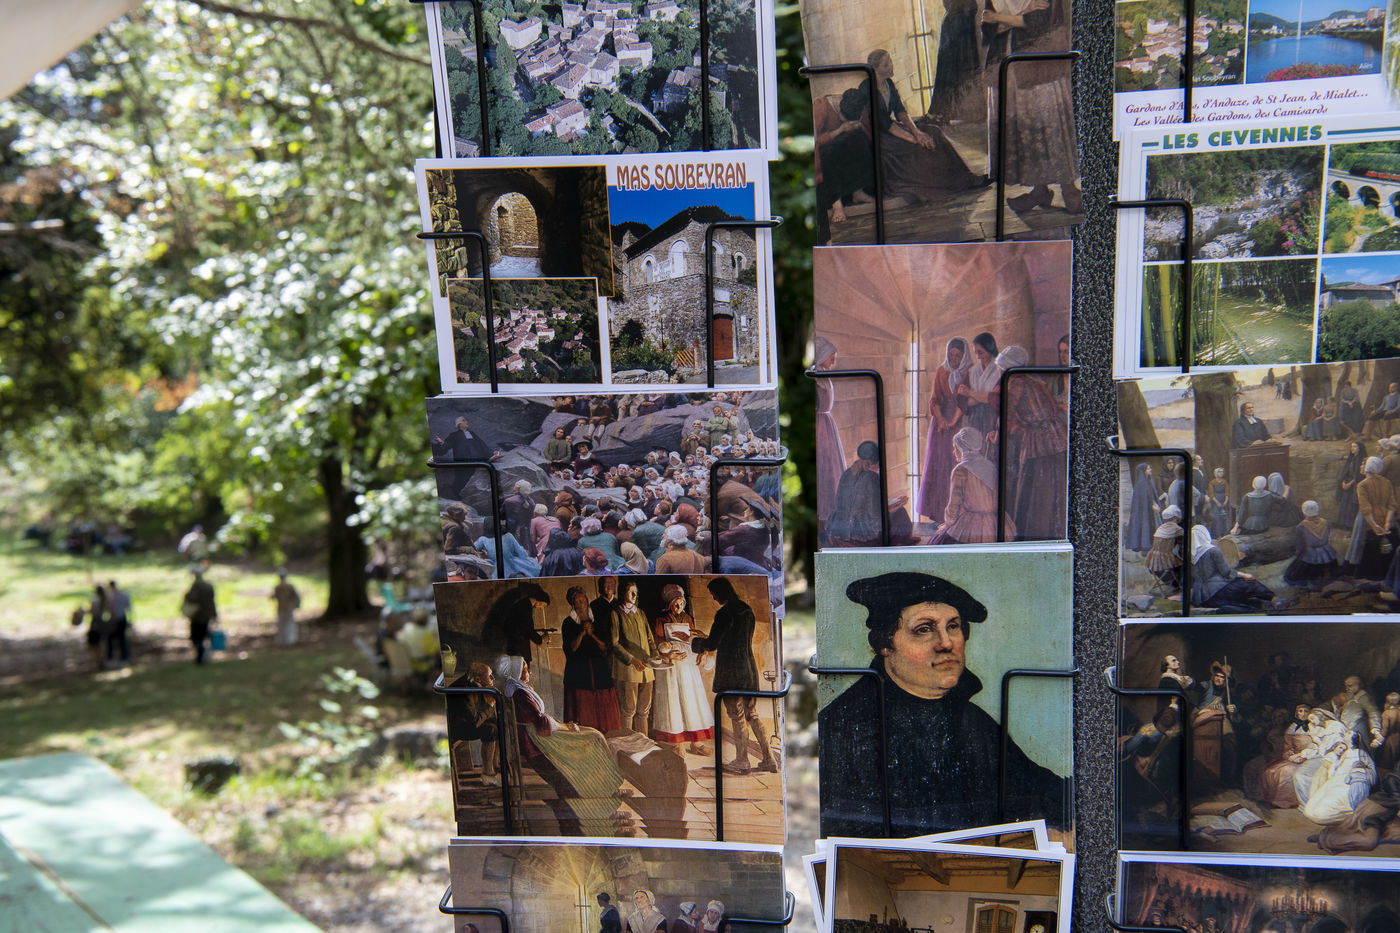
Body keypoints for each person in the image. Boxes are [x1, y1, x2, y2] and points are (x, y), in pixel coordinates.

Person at [817, 572, 1066, 837]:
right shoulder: (844, 726)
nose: (946, 643)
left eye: (953, 626)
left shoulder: (973, 722)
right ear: (884, 644)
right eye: (924, 629)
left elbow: (1042, 791)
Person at [854, 49, 983, 205]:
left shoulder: (888, 83)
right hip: (879, 136)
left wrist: (917, 132)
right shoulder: (866, 88)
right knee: (917, 145)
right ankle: (947, 183)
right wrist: (914, 139)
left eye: (891, 61)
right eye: (886, 64)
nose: (892, 66)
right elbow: (885, 124)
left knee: (933, 132)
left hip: (892, 128)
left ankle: (966, 177)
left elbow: (900, 111)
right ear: (876, 69)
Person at [693, 577, 777, 775]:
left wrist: (695, 642)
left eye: (714, 594)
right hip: (748, 670)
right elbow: (733, 638)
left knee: (737, 716)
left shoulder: (724, 613)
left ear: (721, 592)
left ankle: (742, 761)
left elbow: (713, 644)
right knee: (752, 715)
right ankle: (769, 759)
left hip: (732, 672)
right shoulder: (747, 610)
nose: (714, 599)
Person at [996, 346, 1068, 540]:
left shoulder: (1015, 382)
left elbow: (1007, 414)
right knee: (1053, 488)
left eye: (1001, 368)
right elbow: (1053, 408)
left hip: (1040, 441)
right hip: (1057, 436)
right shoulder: (1034, 380)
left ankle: (1036, 536)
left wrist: (999, 434)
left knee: (1038, 488)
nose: (1000, 372)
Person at [650, 583, 714, 755]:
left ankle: (696, 743)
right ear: (669, 604)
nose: (678, 607)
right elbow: (657, 641)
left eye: (681, 603)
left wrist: (702, 650)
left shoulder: (687, 618)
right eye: (675, 604)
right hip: (671, 665)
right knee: (673, 702)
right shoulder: (661, 619)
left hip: (688, 663)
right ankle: (676, 743)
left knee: (691, 700)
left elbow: (694, 638)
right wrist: (667, 652)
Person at [917, 337, 971, 523]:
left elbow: (963, 402)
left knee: (954, 463)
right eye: (951, 355)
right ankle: (940, 514)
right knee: (939, 465)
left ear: (964, 356)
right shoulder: (942, 371)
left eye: (958, 355)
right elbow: (935, 399)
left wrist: (952, 422)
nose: (954, 359)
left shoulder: (969, 372)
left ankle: (956, 517)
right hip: (941, 424)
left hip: (960, 421)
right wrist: (941, 419)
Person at [934, 426, 1013, 544]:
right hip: (996, 523)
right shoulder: (991, 466)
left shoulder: (961, 470)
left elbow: (954, 504)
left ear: (962, 449)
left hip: (973, 525)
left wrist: (948, 523)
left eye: (955, 448)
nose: (954, 452)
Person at [827, 440, 913, 547]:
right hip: (859, 534)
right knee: (901, 512)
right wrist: (896, 506)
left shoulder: (848, 473)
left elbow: (857, 504)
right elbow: (875, 516)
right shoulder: (872, 478)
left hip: (839, 529)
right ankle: (900, 543)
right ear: (877, 462)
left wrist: (891, 503)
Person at [561, 585, 621, 732]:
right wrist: (582, 633)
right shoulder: (568, 623)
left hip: (600, 671)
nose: (581, 603)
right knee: (582, 713)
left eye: (583, 599)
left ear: (587, 600)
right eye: (577, 601)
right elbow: (571, 649)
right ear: (573, 604)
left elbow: (605, 647)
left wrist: (591, 634)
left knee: (605, 713)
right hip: (579, 673)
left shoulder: (598, 620)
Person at [1190, 525, 1276, 613]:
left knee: (1242, 601)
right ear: (1205, 535)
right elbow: (1226, 572)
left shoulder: (1192, 556)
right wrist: (1244, 575)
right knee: (1250, 583)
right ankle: (1275, 600)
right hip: (1217, 590)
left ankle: (1262, 605)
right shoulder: (1213, 551)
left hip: (1200, 598)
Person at [611, 579, 657, 735]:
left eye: (635, 592)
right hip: (628, 669)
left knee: (644, 709)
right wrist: (632, 660)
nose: (634, 595)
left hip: (647, 668)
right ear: (623, 593)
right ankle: (628, 742)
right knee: (628, 708)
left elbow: (650, 638)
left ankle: (644, 742)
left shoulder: (641, 613)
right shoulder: (616, 613)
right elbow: (614, 643)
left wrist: (656, 655)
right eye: (630, 592)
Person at [1352, 455, 1397, 579]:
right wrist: (1387, 522)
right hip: (1386, 517)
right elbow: (1392, 504)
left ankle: (1371, 576)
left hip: (1370, 520)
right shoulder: (1386, 482)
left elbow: (1365, 509)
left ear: (1367, 467)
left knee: (1369, 547)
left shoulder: (1362, 485)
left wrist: (1374, 525)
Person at [1283, 501, 1337, 588]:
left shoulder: (1301, 527)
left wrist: (1299, 555)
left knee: (1292, 576)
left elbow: (1301, 546)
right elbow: (1326, 539)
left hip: (1310, 556)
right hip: (1327, 554)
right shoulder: (1326, 522)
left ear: (1304, 511)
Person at [959, 332, 1002, 438]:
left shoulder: (1000, 370)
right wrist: (983, 397)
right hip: (974, 418)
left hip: (992, 418)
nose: (978, 356)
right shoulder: (972, 371)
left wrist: (971, 393)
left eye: (980, 352)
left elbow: (995, 399)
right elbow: (961, 400)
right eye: (976, 353)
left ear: (990, 349)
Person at [182, 569, 218, 665]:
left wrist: (186, 595)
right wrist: (215, 615)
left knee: (197, 637)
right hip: (206, 615)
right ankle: (203, 656)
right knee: (203, 635)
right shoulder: (209, 586)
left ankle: (200, 656)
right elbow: (212, 603)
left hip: (198, 616)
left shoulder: (196, 586)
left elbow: (192, 598)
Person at [1145, 504, 1184, 592]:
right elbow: (1182, 548)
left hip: (1151, 560)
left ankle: (1172, 583)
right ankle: (1176, 584)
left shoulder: (1160, 528)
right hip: (1164, 560)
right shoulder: (1178, 530)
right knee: (1182, 564)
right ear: (1176, 518)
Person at [1124, 463, 1161, 554]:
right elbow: (1142, 501)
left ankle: (1148, 545)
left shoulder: (1149, 481)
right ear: (1143, 471)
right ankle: (1143, 546)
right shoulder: (1141, 484)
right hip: (1144, 512)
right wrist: (1151, 505)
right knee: (1144, 525)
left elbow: (1151, 495)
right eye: (1148, 469)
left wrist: (1154, 504)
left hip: (1150, 510)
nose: (1150, 470)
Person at [1337, 440, 1366, 529]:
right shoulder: (1350, 458)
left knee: (1352, 506)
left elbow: (1359, 475)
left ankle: (1350, 526)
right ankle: (1342, 524)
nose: (1352, 448)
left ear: (1360, 448)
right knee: (1344, 504)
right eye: (1351, 446)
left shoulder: (1362, 460)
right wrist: (1343, 482)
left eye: (1355, 446)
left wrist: (1350, 484)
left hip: (1354, 485)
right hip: (1347, 483)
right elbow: (1345, 472)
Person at [271, 570, 301, 646]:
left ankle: (288, 640)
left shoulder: (282, 587)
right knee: (285, 624)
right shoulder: (282, 587)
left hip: (285, 608)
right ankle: (285, 640)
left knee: (285, 624)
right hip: (284, 608)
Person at [105, 579, 131, 665]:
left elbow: (109, 609)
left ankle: (111, 657)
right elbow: (128, 607)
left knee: (110, 639)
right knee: (122, 638)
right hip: (122, 618)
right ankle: (124, 657)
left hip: (114, 620)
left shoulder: (110, 596)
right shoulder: (124, 595)